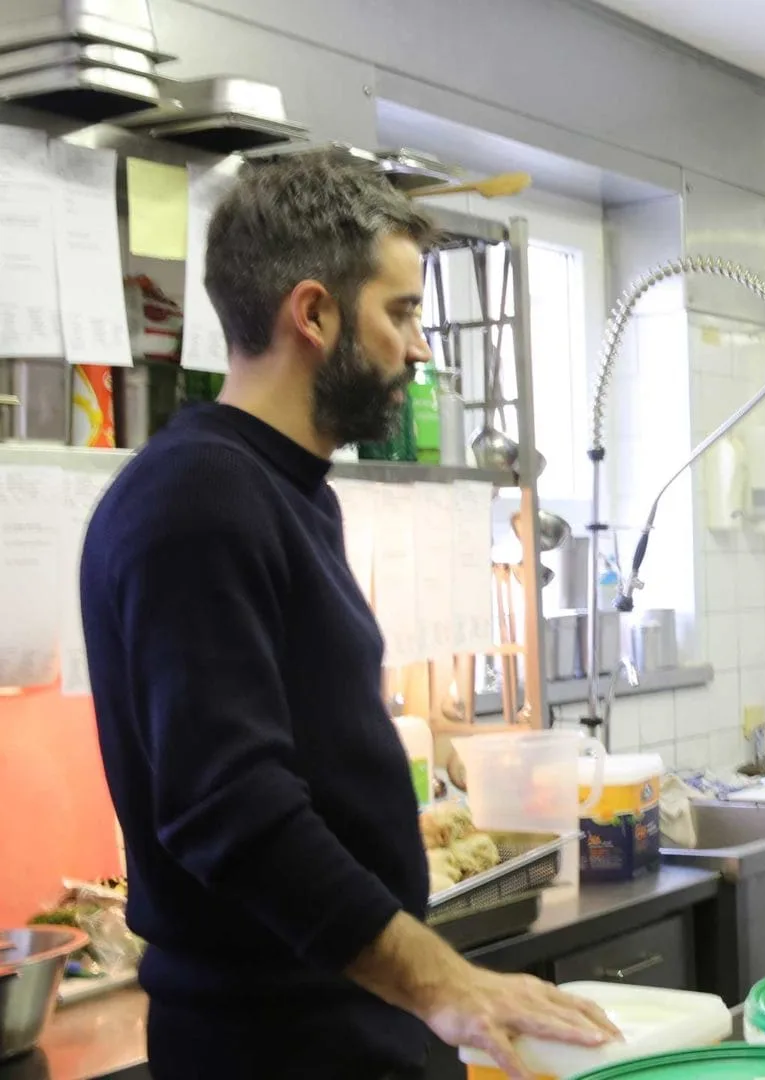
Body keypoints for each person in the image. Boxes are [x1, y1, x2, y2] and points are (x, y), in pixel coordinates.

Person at [80, 158, 616, 1080]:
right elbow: (234, 812)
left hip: (351, 1029)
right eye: (401, 313)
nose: (418, 349)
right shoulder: (198, 500)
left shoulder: (284, 492)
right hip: (271, 1051)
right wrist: (443, 982)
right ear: (314, 313)